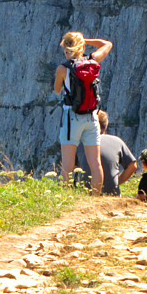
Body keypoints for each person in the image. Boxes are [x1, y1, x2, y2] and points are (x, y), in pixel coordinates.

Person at [53, 32, 113, 196]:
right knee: (95, 163)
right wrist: (85, 41)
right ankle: (95, 198)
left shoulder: (63, 69)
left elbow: (57, 89)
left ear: (66, 48)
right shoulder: (93, 60)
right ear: (81, 46)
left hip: (72, 117)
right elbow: (107, 44)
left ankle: (66, 199)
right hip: (92, 116)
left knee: (68, 164)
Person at [76, 110, 137, 196]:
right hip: (112, 194)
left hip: (88, 195)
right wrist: (117, 182)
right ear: (106, 125)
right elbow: (133, 165)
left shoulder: (81, 143)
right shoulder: (117, 141)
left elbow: (71, 168)